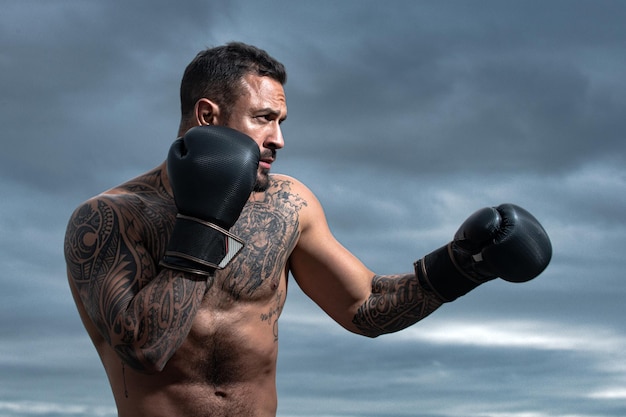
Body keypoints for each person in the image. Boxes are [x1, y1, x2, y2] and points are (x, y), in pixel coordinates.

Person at [64, 42, 552, 417]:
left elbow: (366, 307)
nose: (279, 139)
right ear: (208, 117)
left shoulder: (288, 205)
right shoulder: (110, 218)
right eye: (263, 119)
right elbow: (143, 350)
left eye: (281, 120)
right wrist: (204, 220)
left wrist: (465, 266)